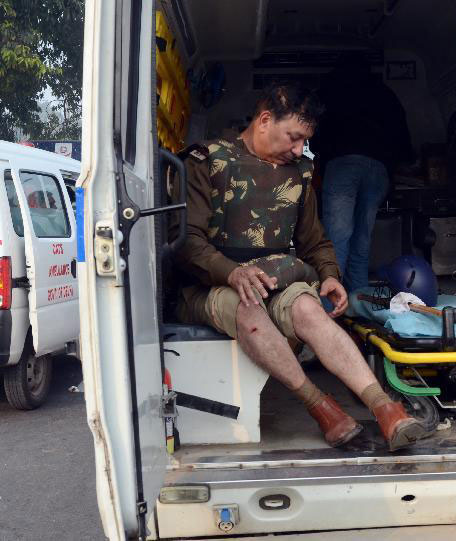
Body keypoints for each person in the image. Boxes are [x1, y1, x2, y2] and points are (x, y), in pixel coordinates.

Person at [170, 83, 424, 451]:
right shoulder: (207, 161)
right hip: (210, 285)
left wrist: (330, 276)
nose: (298, 149)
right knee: (249, 306)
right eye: (293, 137)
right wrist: (233, 273)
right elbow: (187, 240)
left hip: (274, 278)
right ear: (264, 120)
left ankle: (384, 408)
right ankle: (321, 407)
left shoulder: (299, 173)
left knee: (307, 307)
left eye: (304, 141)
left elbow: (314, 240)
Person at [314, 55, 415, 292]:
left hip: (342, 164)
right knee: (362, 239)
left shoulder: (329, 90)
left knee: (337, 238)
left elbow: (314, 133)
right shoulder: (385, 92)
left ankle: (330, 304)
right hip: (378, 169)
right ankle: (357, 301)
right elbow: (402, 135)